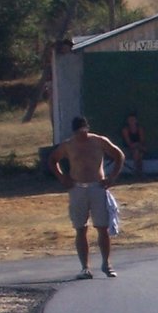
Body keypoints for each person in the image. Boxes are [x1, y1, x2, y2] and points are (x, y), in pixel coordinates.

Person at [48, 116, 126, 279]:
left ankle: (106, 263)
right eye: (78, 133)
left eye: (83, 132)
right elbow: (53, 159)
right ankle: (85, 267)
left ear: (87, 129)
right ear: (74, 132)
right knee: (80, 228)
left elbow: (119, 155)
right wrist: (62, 177)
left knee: (102, 227)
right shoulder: (69, 145)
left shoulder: (98, 141)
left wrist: (112, 177)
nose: (81, 136)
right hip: (77, 188)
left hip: (97, 186)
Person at [119, 111, 146, 175]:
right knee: (137, 153)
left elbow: (142, 141)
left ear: (136, 120)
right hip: (128, 149)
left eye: (133, 120)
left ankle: (138, 172)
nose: (132, 121)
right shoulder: (125, 130)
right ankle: (138, 171)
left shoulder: (140, 129)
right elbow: (129, 143)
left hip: (139, 147)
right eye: (130, 120)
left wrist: (138, 145)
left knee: (139, 153)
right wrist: (136, 145)